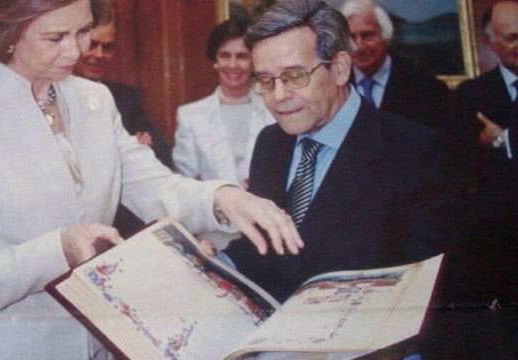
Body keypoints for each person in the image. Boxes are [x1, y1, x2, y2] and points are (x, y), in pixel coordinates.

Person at [0, 1, 303, 358]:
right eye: (55, 37)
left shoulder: (93, 101)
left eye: (83, 31)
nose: (77, 51)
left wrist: (225, 199)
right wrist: (60, 249)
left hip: (100, 344)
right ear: (6, 34)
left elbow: (154, 186)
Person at [215, 0, 468, 356]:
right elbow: (267, 248)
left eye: (295, 76)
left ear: (340, 68)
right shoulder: (271, 143)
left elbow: (422, 298)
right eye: (266, 81)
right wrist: (214, 266)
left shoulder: (416, 152)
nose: (279, 97)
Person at [451, 2, 518, 356]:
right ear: (491, 43)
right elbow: (463, 167)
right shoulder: (470, 96)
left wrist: (502, 139)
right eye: (512, 38)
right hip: (497, 246)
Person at [75, 0, 171, 236]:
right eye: (92, 45)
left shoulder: (124, 96)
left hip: (124, 222)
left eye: (107, 48)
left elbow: (161, 153)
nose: (99, 55)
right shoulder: (49, 95)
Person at [172, 18, 275, 190]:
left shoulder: (274, 110)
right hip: (212, 213)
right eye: (225, 56)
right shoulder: (190, 116)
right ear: (215, 60)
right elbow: (184, 182)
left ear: (254, 62)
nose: (233, 65)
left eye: (242, 56)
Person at [339, 0, 450, 131]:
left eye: (367, 35)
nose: (359, 47)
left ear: (386, 36)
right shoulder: (334, 85)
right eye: (351, 37)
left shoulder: (425, 86)